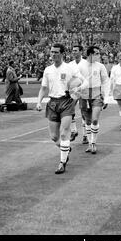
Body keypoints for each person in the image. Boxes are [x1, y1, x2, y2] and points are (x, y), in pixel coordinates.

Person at [36, 43, 88, 174]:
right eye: (52, 52)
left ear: (62, 53)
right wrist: (38, 102)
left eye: (56, 52)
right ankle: (65, 149)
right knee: (54, 137)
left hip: (66, 101)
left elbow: (85, 81)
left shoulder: (70, 68)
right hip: (52, 103)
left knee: (65, 133)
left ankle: (62, 163)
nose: (53, 54)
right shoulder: (48, 70)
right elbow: (43, 88)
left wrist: (78, 88)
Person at [77, 46, 109, 154]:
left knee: (95, 119)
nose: (99, 55)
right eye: (97, 53)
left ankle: (93, 143)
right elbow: (75, 81)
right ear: (91, 54)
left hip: (96, 95)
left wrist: (106, 97)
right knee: (87, 121)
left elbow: (105, 81)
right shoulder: (80, 66)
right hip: (84, 96)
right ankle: (90, 143)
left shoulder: (100, 66)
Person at [69, 45, 88, 143]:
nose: (74, 52)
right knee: (69, 110)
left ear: (81, 52)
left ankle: (85, 135)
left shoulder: (86, 63)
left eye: (76, 50)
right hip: (73, 91)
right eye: (73, 51)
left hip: (84, 90)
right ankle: (73, 130)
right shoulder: (70, 65)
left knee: (84, 112)